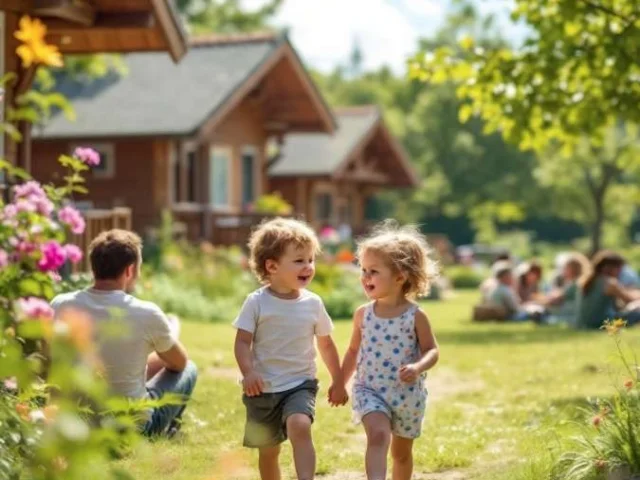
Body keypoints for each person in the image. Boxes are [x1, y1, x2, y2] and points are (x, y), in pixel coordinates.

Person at [51, 229, 197, 438]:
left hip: (77, 426)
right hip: (130, 429)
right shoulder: (146, 312)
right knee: (189, 369)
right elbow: (179, 363)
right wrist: (172, 331)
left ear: (94, 267)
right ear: (129, 271)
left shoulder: (60, 305)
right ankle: (169, 430)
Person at [233, 218, 347, 480]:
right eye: (299, 261)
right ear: (272, 266)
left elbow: (326, 344)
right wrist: (248, 372)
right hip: (262, 389)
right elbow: (242, 342)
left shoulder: (313, 303)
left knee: (300, 425)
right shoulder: (256, 302)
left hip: (300, 384)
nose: (308, 266)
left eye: (311, 259)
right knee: (269, 452)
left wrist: (338, 380)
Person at [341, 222, 440, 480]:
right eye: (363, 270)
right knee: (378, 436)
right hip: (370, 389)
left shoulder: (415, 316)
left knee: (401, 455)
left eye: (373, 271)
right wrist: (340, 382)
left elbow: (432, 350)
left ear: (400, 276)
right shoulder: (363, 314)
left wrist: (418, 367)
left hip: (406, 395)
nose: (365, 277)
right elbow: (353, 351)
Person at [577, 251, 640, 329]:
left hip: (583, 325)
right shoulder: (609, 283)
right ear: (609, 268)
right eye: (619, 268)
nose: (620, 272)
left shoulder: (587, 281)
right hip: (602, 324)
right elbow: (629, 299)